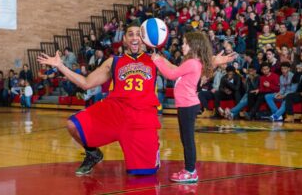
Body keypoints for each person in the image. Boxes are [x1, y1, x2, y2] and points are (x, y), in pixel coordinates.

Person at [37, 23, 233, 177]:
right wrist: (60, 66)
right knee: (72, 125)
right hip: (115, 111)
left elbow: (188, 70)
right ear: (124, 39)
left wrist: (214, 61)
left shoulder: (155, 59)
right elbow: (86, 83)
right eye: (130, 34)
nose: (134, 37)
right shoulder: (113, 61)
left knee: (143, 175)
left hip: (141, 118)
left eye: (138, 34)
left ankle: (152, 154)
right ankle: (93, 153)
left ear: (145, 38)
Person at [151, 31, 234, 183]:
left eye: (184, 43)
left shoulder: (191, 63)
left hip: (188, 105)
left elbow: (171, 74)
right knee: (185, 139)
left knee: (187, 140)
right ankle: (188, 169)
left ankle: (191, 171)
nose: (182, 46)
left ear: (194, 46)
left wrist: (157, 61)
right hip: (187, 105)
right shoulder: (194, 62)